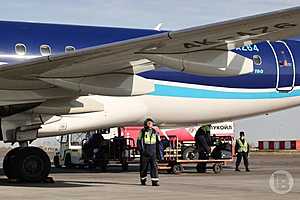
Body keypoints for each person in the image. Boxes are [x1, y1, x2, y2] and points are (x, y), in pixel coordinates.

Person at [137, 118, 162, 186]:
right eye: (149, 123)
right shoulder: (142, 131)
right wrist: (141, 151)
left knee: (154, 167)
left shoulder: (155, 132)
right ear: (146, 124)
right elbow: (139, 141)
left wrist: (158, 152)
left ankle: (155, 181)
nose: (150, 124)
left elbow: (158, 142)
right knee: (143, 167)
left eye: (151, 123)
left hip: (153, 152)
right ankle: (143, 180)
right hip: (145, 152)